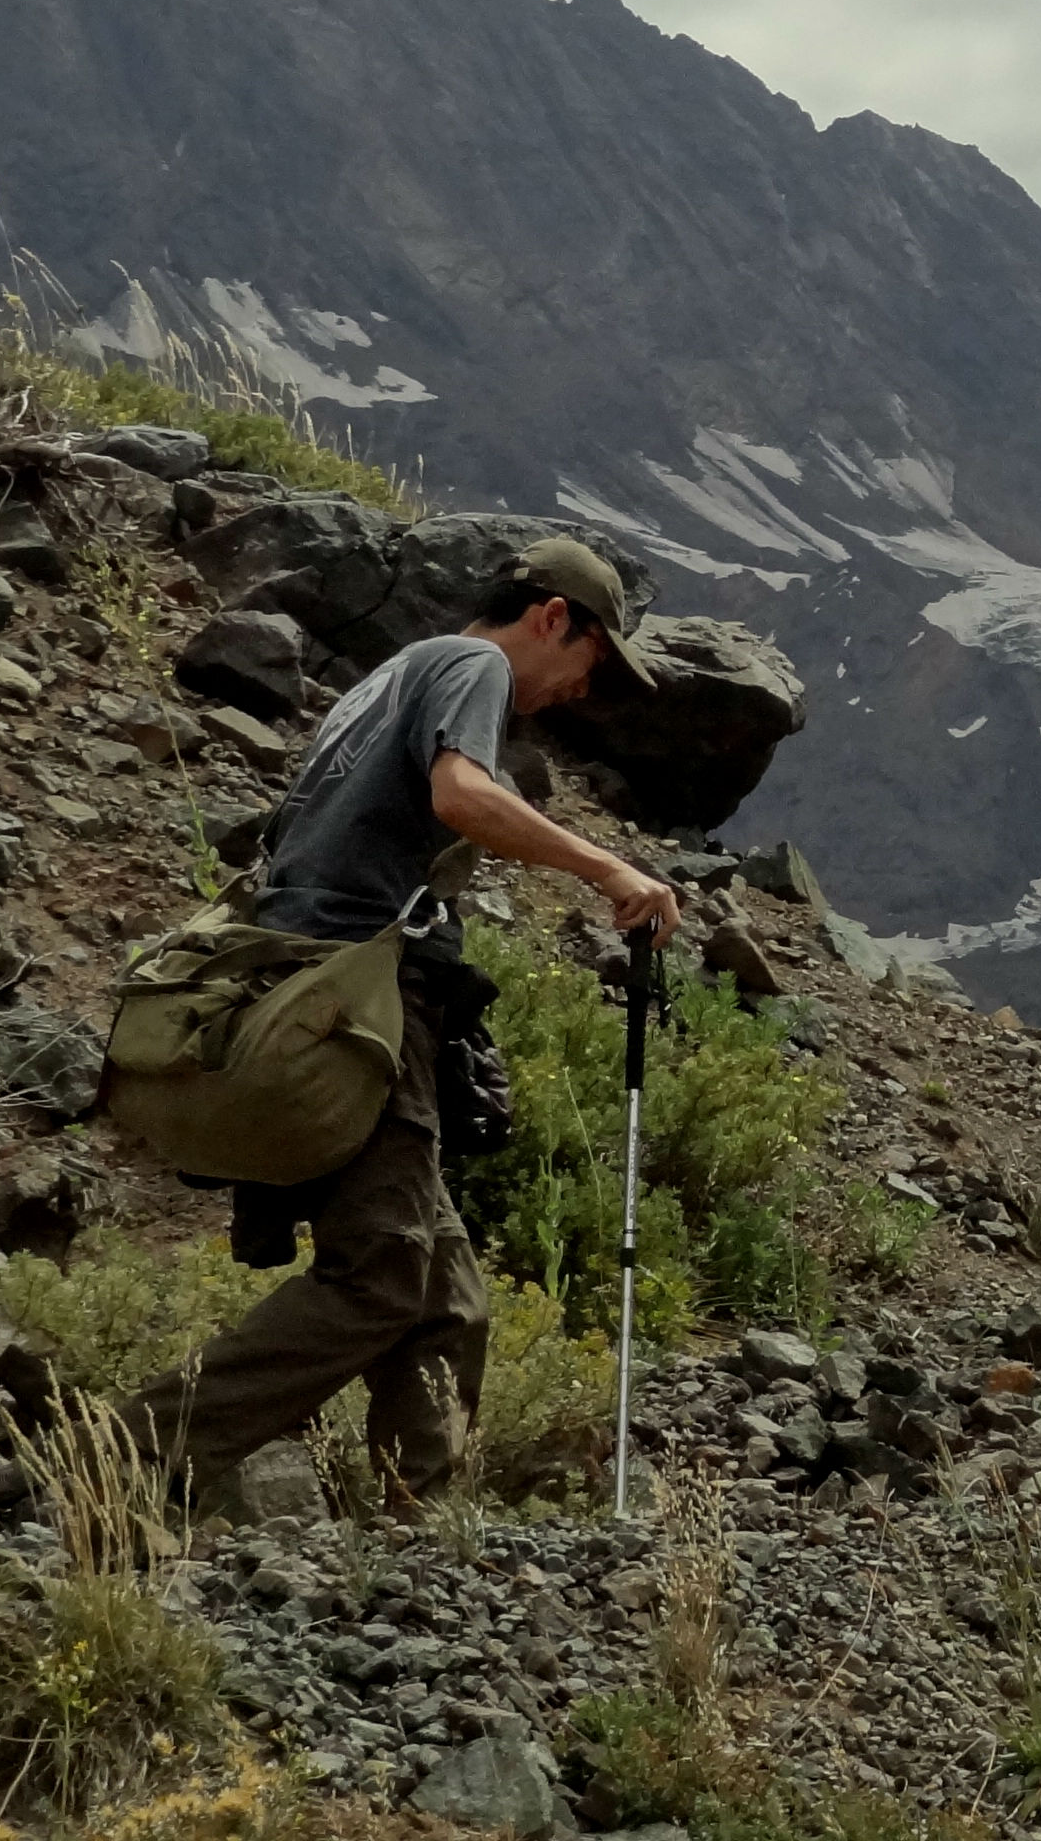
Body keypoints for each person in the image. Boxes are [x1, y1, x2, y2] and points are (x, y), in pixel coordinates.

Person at [126, 539, 685, 1507]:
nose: (577, 693)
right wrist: (609, 869)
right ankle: (131, 1454)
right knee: (383, 1278)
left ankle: (415, 1529)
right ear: (553, 618)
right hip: (352, 1006)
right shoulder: (470, 664)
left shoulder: (385, 679)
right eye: (588, 665)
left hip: (311, 987)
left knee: (446, 1298)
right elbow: (462, 796)